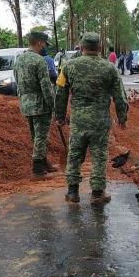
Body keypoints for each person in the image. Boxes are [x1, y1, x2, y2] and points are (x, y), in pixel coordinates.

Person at [55, 32, 129, 205]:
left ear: (81, 47)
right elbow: (120, 96)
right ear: (100, 47)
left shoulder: (68, 67)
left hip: (78, 120)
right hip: (100, 120)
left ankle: (72, 193)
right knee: (99, 155)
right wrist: (122, 117)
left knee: (74, 154)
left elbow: (60, 93)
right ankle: (97, 193)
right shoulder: (109, 68)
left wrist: (59, 116)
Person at [15, 31, 58, 177]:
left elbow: (17, 82)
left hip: (26, 104)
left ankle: (44, 161)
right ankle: (38, 166)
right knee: (41, 136)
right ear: (40, 43)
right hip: (40, 104)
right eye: (45, 44)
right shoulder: (40, 61)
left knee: (36, 135)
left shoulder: (19, 60)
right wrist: (53, 105)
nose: (45, 46)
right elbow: (46, 87)